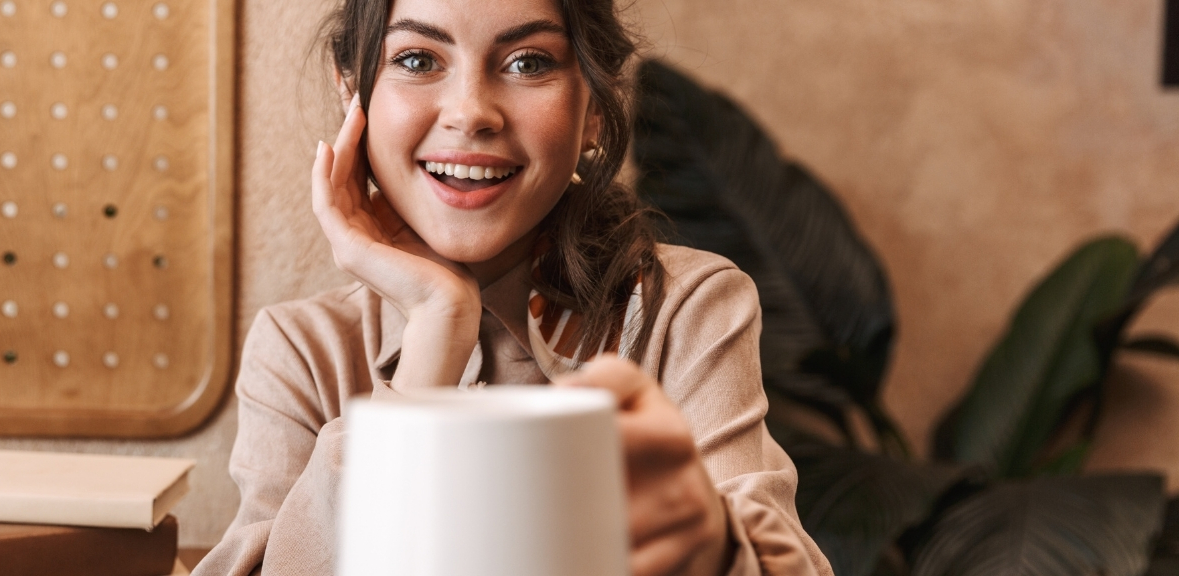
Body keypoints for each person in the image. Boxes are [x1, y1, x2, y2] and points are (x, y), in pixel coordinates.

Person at [193, 0, 833, 573]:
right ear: (351, 89)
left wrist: (695, 536)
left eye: (529, 62)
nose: (471, 112)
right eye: (417, 58)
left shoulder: (688, 308)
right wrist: (432, 339)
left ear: (594, 107)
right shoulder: (302, 350)